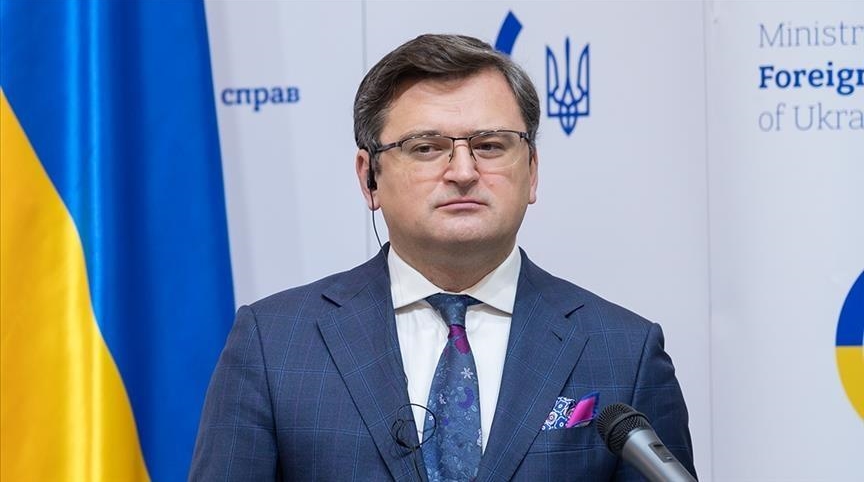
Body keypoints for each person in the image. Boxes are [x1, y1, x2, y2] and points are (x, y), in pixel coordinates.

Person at [189, 34, 695, 481]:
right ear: (369, 178)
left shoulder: (623, 351)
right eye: (426, 147)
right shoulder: (274, 345)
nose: (463, 171)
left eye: (490, 145)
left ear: (532, 170)